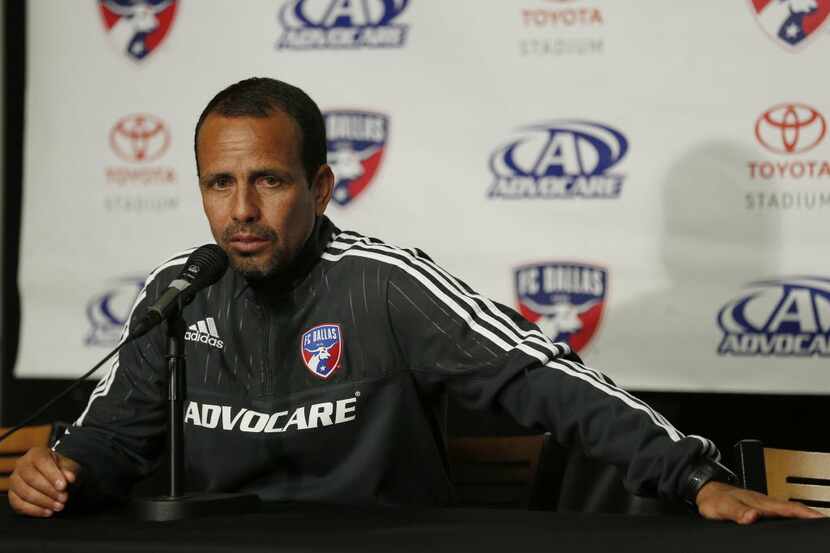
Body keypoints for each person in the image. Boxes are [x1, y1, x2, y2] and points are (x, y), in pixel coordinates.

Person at [8, 78, 822, 524]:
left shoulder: (384, 284)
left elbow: (543, 376)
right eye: (220, 183)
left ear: (321, 187)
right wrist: (67, 466)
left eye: (270, 179)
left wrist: (693, 475)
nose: (242, 210)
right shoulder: (179, 294)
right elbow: (113, 435)